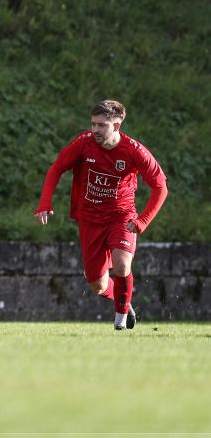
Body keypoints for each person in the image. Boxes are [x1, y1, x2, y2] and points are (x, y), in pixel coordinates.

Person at [35, 100, 167, 330]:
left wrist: (143, 220)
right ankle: (123, 300)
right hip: (90, 219)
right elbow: (56, 169)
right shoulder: (84, 143)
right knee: (98, 285)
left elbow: (160, 187)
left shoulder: (134, 151)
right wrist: (45, 203)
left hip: (121, 217)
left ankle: (120, 321)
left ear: (116, 126)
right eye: (93, 124)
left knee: (122, 265)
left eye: (101, 125)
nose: (95, 129)